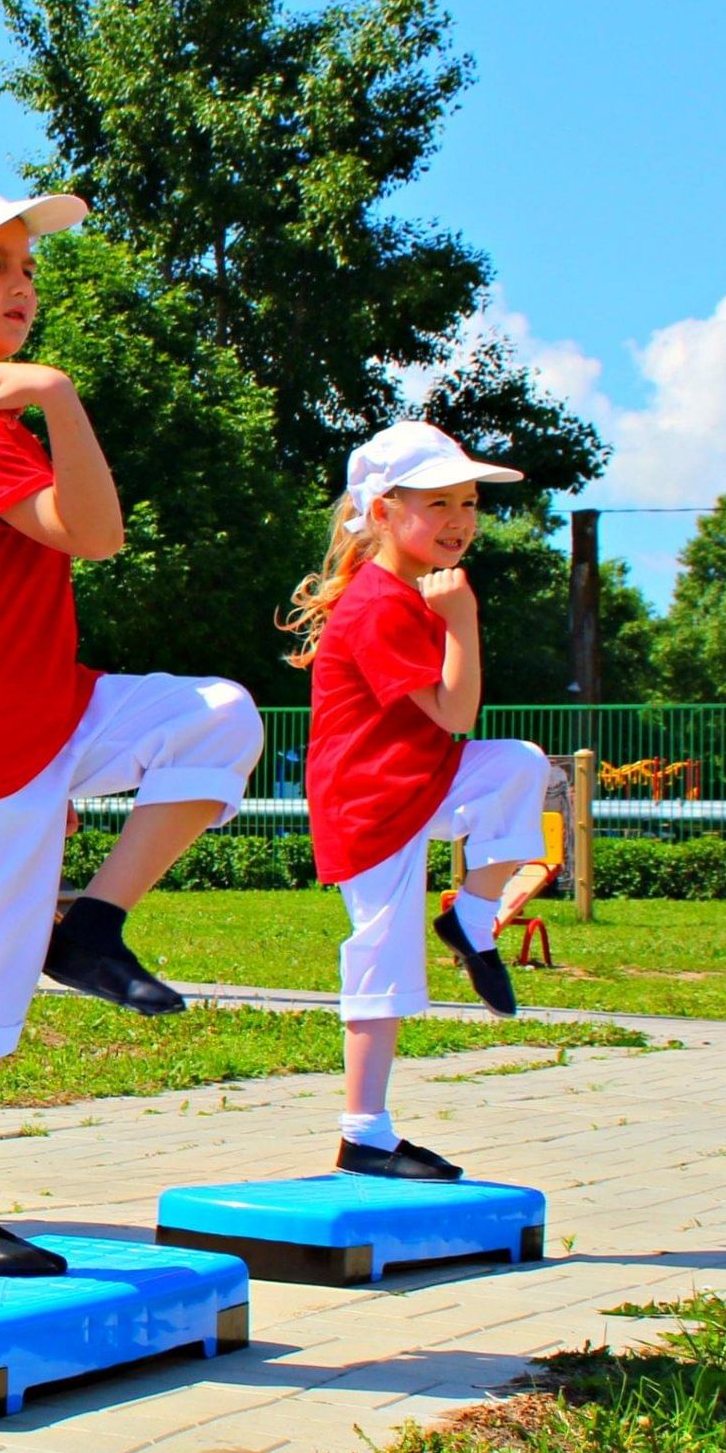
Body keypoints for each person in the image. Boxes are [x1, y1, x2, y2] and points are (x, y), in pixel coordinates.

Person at [0, 172, 264, 1277]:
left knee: (219, 719)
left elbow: (94, 527)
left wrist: (61, 402)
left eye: (26, 267)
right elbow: (88, 538)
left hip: (54, 700)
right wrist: (50, 402)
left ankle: (89, 928)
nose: (20, 285)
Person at [282, 420, 548, 1181]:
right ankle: (364, 1132)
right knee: (383, 955)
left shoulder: (406, 593)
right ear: (384, 510)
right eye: (439, 503)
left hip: (419, 779)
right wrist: (461, 620)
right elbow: (457, 713)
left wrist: (454, 616)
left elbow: (456, 729)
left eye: (468, 502)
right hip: (371, 803)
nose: (461, 520)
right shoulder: (380, 604)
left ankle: (470, 918)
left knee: (520, 766)